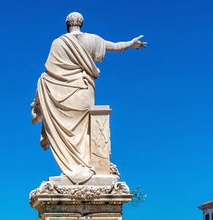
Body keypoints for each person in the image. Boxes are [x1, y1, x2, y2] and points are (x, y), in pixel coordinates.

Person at [31, 12, 146, 184]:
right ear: (81, 23)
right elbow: (115, 46)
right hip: (83, 91)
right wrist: (131, 43)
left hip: (62, 96)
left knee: (69, 129)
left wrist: (38, 100)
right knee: (85, 131)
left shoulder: (58, 43)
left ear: (67, 24)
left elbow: (50, 72)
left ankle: (74, 167)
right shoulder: (92, 40)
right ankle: (84, 165)